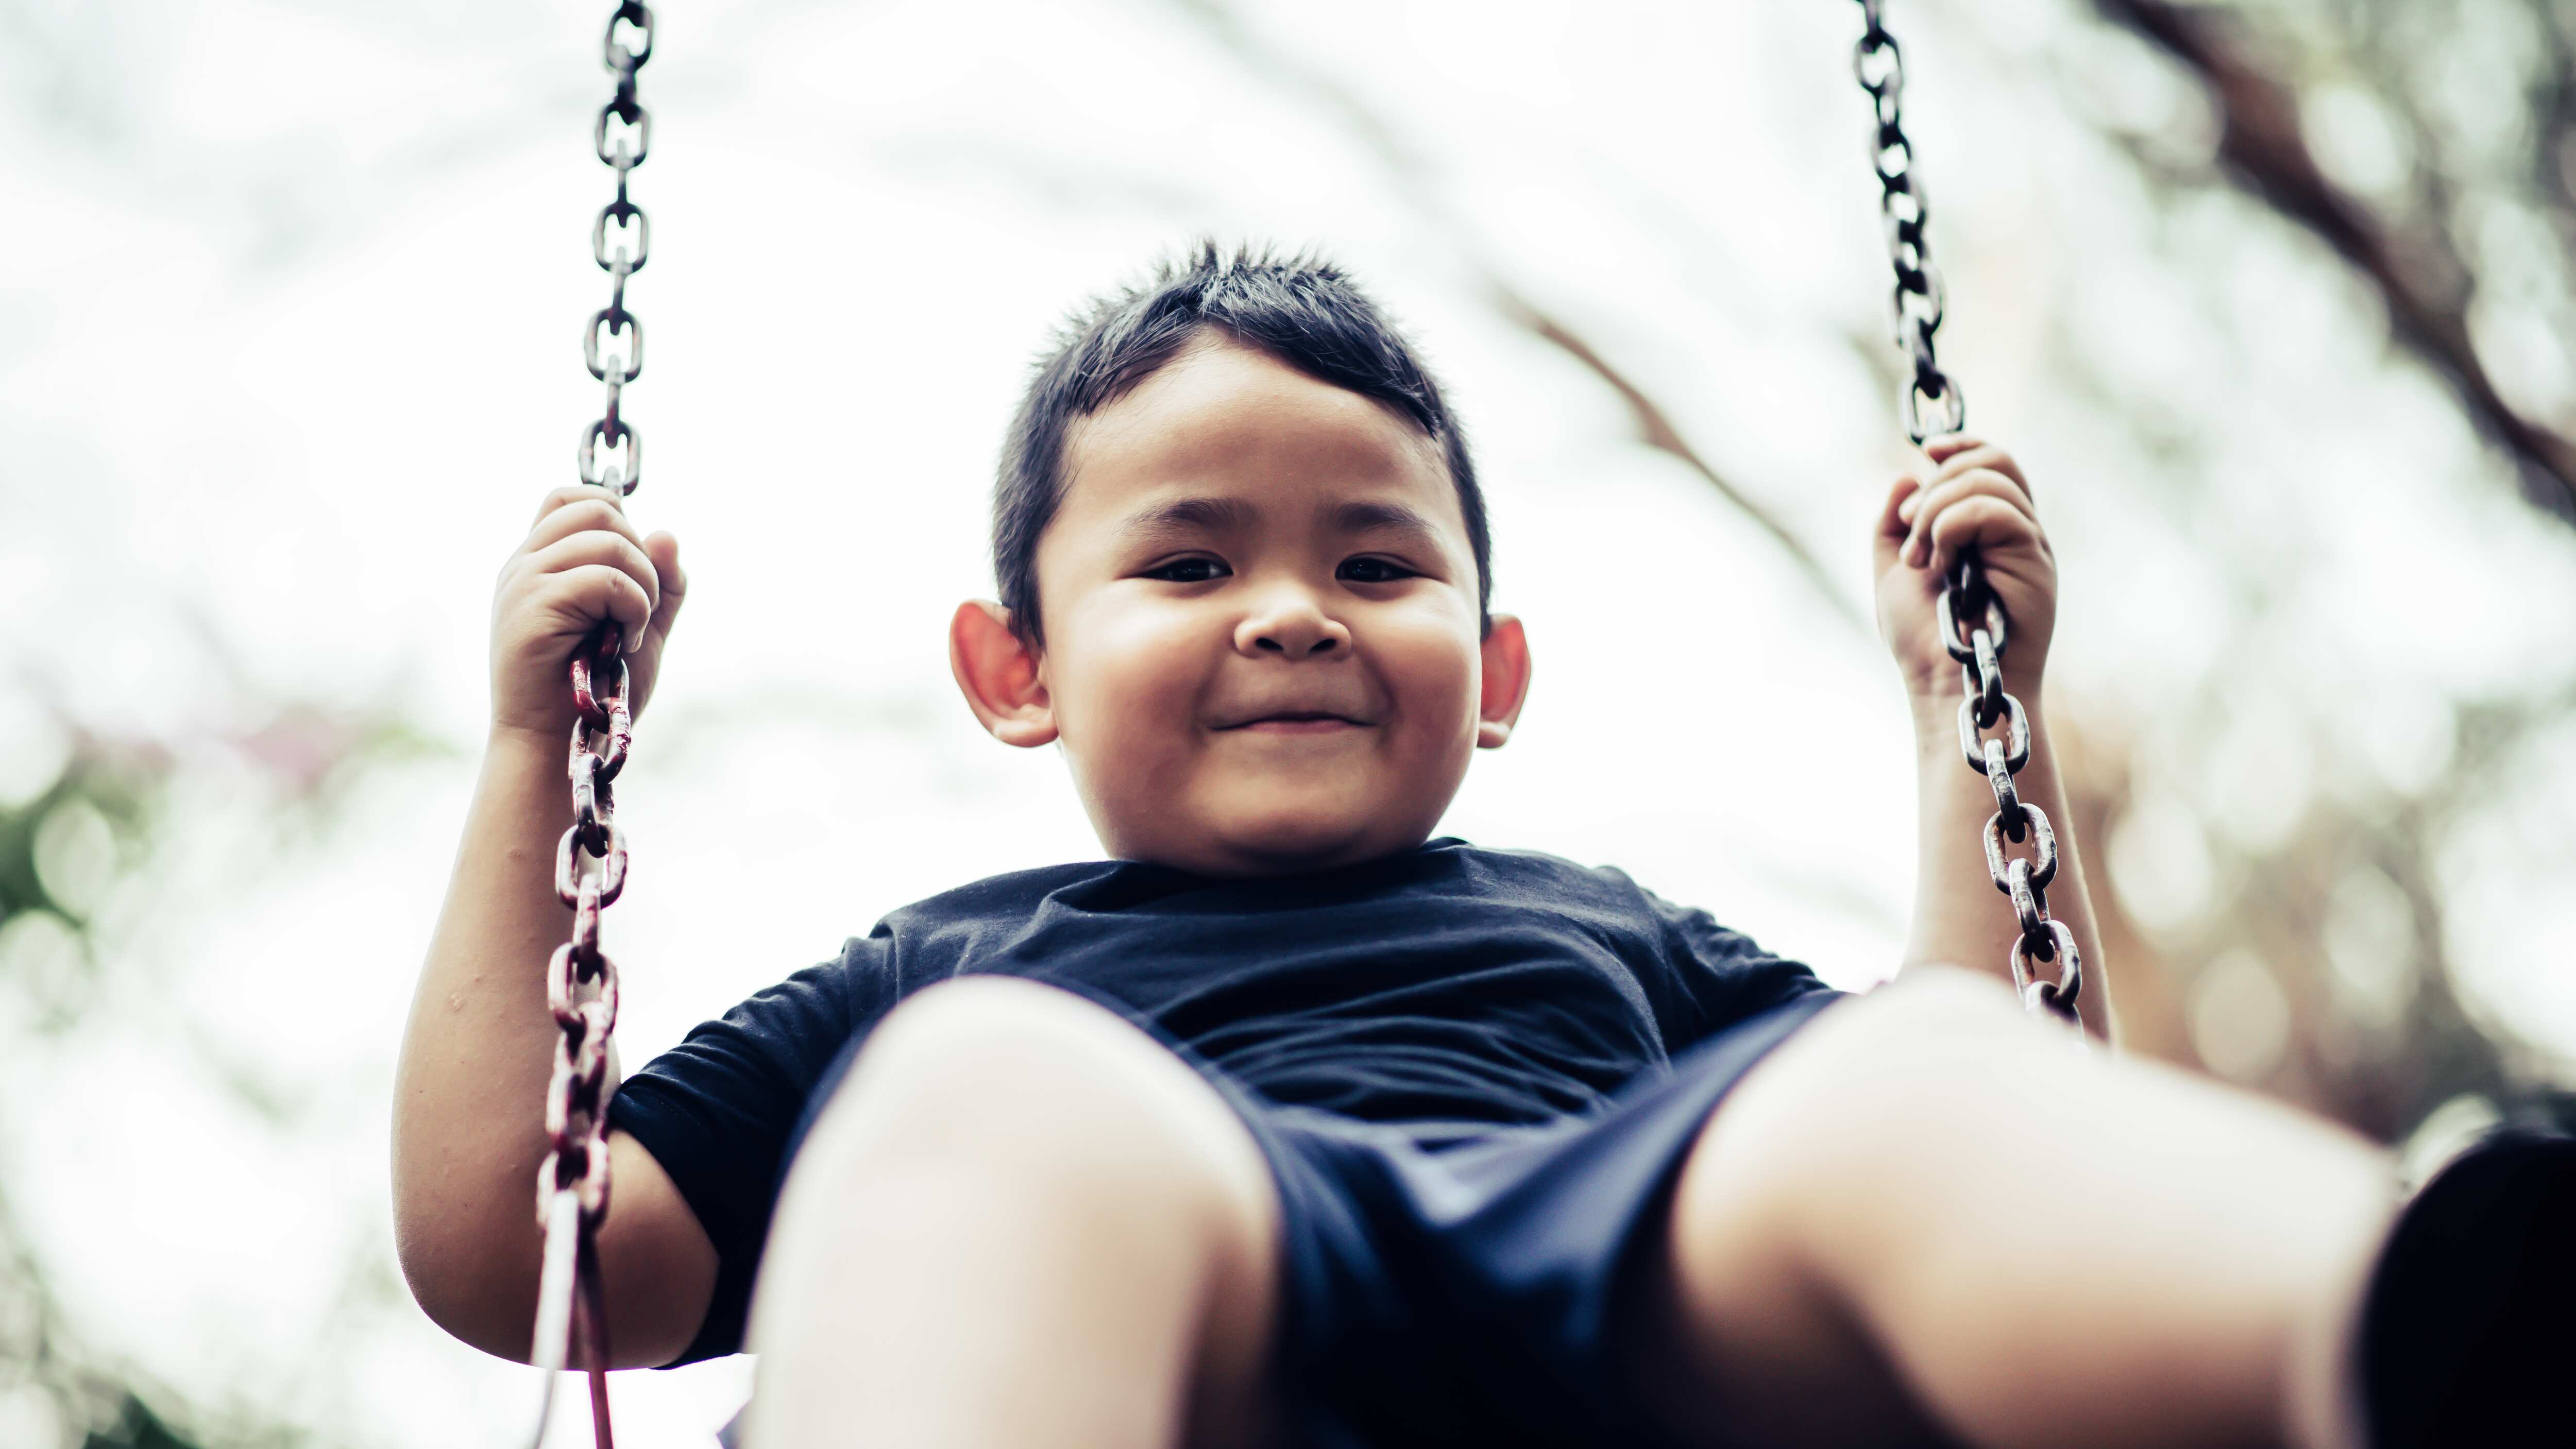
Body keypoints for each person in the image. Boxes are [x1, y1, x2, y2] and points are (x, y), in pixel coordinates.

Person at [392, 244, 2569, 1449]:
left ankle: (2413, 1335)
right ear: (1011, 665)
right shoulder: (937, 969)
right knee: (985, 1100)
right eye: (1183, 557)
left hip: (1606, 1312)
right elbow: (531, 1251)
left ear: (1494, 666)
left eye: (1373, 557)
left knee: (1905, 1082)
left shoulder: (1605, 938)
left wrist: (1954, 708)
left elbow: (2003, 1093)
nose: (1290, 607)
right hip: (1175, 1330)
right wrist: (533, 753)